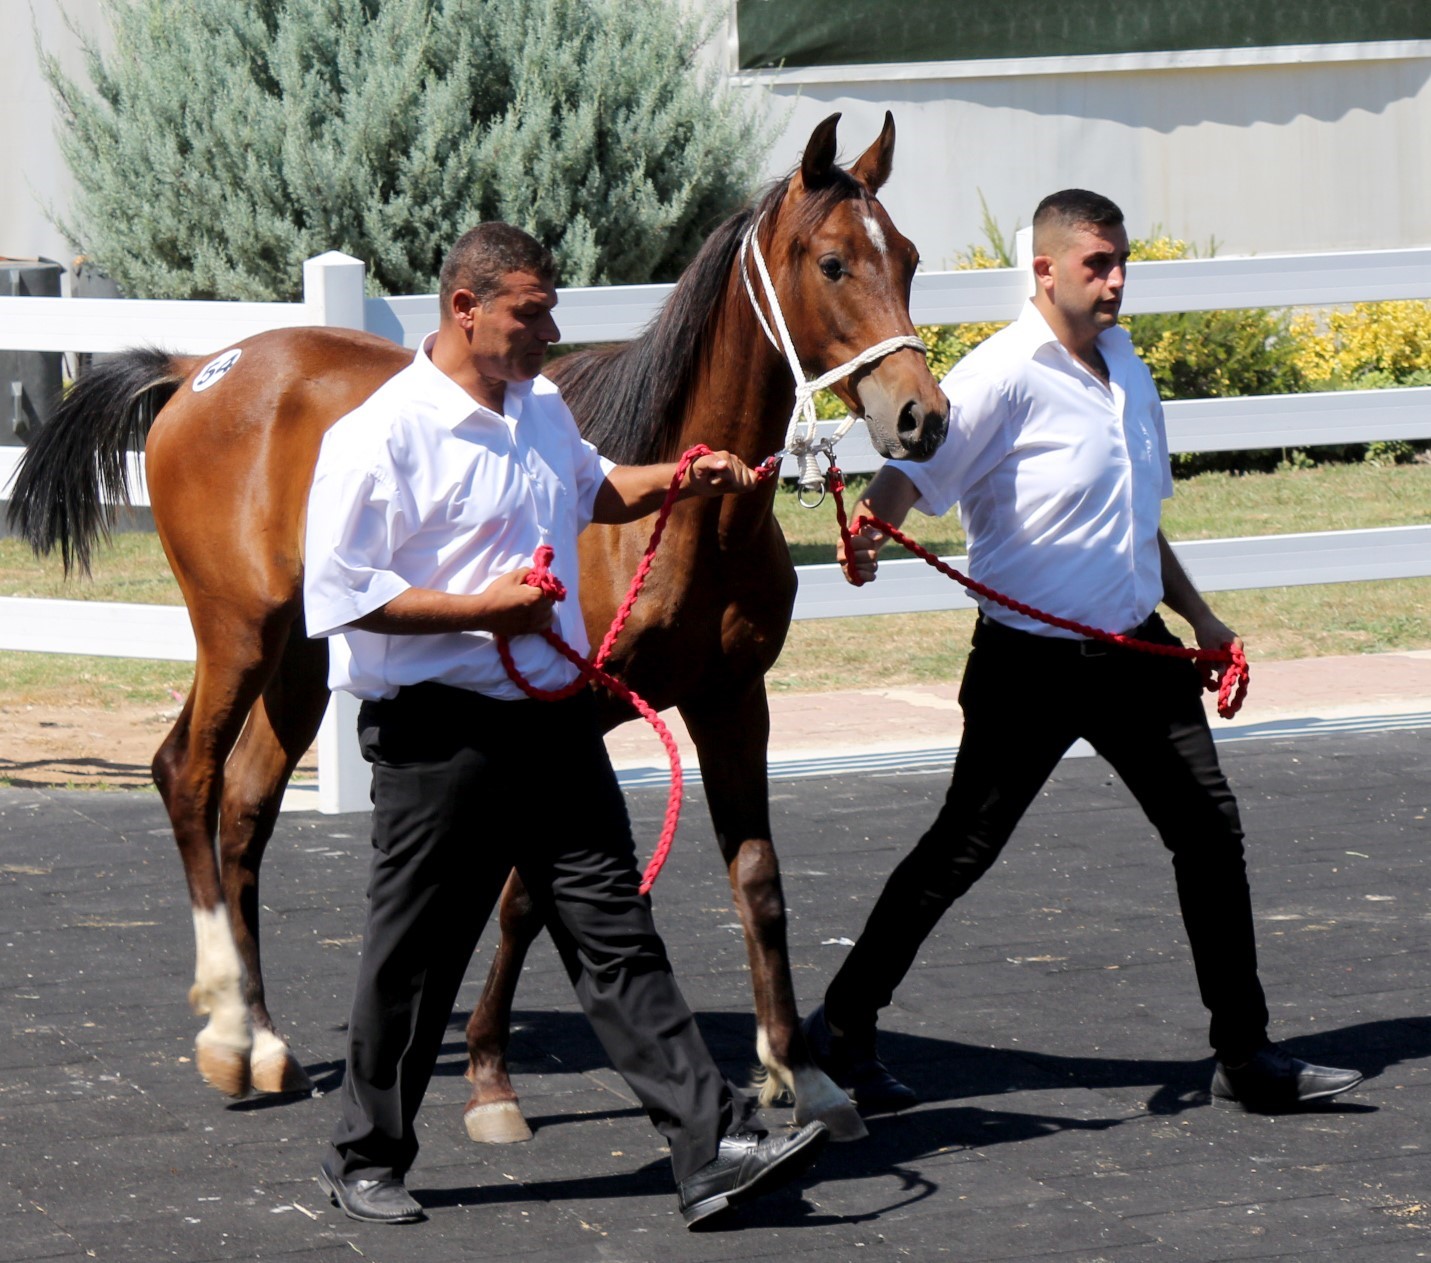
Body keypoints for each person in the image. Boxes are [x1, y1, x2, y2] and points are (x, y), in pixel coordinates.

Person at [303, 222, 827, 1228]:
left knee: (617, 935)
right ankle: (364, 1155)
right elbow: (339, 595)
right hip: (437, 732)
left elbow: (596, 488)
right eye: (528, 312)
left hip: (550, 719)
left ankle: (708, 1143)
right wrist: (477, 610)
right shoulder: (379, 435)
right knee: (413, 955)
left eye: (550, 310)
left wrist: (683, 474)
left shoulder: (538, 408)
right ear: (465, 309)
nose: (550, 332)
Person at [802, 189, 1363, 1117]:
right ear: (1045, 270)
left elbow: (1138, 524)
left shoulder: (1124, 368)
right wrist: (872, 526)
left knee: (1209, 834)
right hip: (1030, 664)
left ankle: (1245, 1052)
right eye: (1096, 264)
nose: (1113, 281)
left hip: (1137, 653)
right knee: (960, 849)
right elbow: (913, 467)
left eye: (1119, 262)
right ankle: (842, 1025)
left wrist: (1203, 621)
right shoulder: (1002, 372)